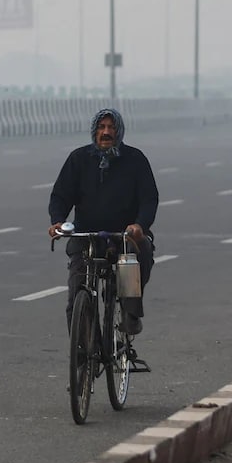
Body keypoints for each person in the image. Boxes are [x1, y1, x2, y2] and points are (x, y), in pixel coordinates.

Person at [48, 108, 158, 343]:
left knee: (140, 253)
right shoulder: (78, 159)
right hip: (86, 235)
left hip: (124, 236)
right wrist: (57, 221)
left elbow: (149, 199)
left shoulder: (135, 159)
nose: (106, 132)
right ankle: (84, 355)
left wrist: (139, 225)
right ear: (94, 131)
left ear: (119, 131)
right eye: (101, 127)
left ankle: (130, 313)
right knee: (76, 294)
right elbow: (60, 196)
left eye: (111, 127)